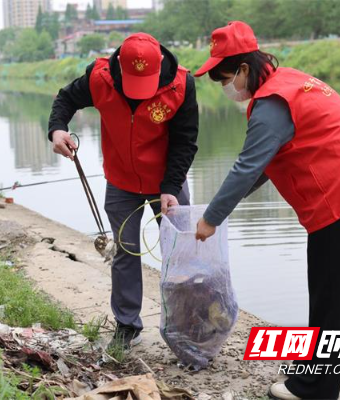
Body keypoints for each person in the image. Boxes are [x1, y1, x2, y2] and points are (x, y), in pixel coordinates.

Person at [193, 21, 340, 400]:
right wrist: (223, 207)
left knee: (333, 293)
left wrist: (211, 218)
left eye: (224, 78)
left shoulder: (272, 103)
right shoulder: (287, 81)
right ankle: (318, 370)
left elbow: (246, 167)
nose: (225, 88)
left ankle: (315, 389)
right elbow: (261, 167)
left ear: (243, 69)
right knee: (329, 288)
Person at [48, 32, 199, 350]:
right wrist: (57, 128)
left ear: (159, 68)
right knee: (124, 253)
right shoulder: (99, 78)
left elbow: (186, 141)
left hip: (167, 182)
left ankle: (185, 326)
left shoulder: (181, 85)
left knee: (180, 253)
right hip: (121, 180)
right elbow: (65, 99)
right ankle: (127, 325)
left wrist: (171, 187)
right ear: (119, 66)